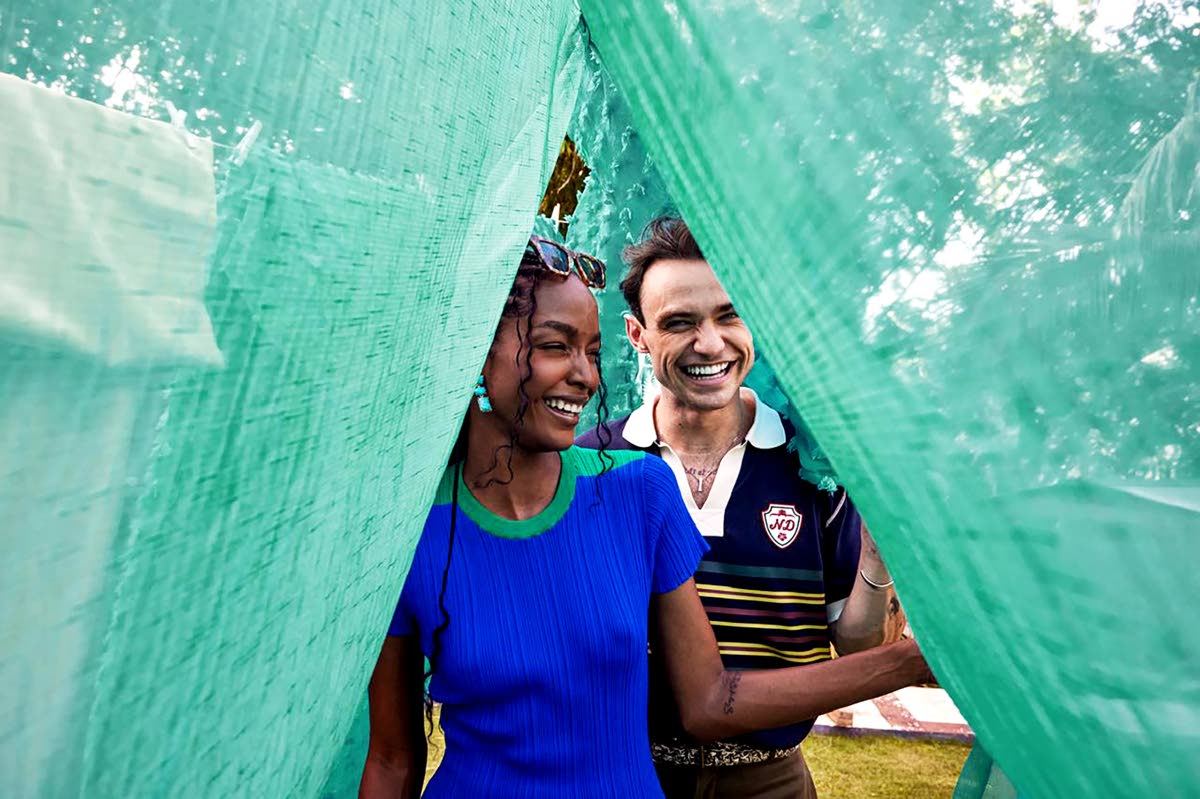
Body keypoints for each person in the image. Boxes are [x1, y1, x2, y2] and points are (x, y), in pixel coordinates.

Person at [360, 236, 930, 799]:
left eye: (590, 351)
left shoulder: (650, 488)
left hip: (756, 772)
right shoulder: (410, 535)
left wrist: (910, 655)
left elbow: (717, 695)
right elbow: (391, 758)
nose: (585, 377)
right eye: (555, 345)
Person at [578, 216, 896, 799]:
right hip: (621, 774)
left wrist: (876, 554)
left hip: (769, 779)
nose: (710, 343)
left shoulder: (814, 464)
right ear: (637, 335)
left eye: (729, 315)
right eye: (679, 323)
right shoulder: (593, 462)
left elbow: (855, 645)